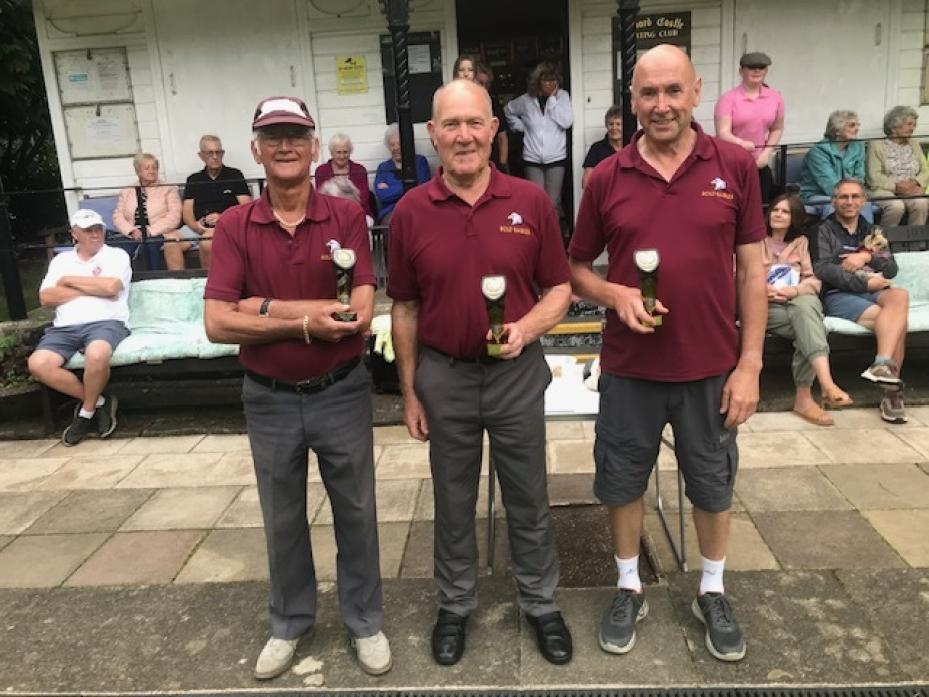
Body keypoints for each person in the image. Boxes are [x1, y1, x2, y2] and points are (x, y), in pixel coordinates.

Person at [568, 44, 766, 664]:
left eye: (672, 91)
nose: (661, 105)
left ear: (697, 91)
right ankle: (629, 585)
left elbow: (752, 272)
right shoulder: (605, 177)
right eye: (648, 94)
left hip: (711, 365)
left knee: (711, 483)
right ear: (632, 101)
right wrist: (613, 292)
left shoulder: (734, 165)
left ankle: (712, 588)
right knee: (622, 482)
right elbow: (575, 271)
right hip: (630, 367)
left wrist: (751, 363)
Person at [203, 95, 391, 679]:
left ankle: (364, 620)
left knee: (356, 510)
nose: (285, 146)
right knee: (282, 516)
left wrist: (262, 309)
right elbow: (217, 322)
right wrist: (308, 319)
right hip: (269, 397)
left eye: (296, 135)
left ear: (314, 148)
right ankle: (289, 621)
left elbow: (359, 311)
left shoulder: (344, 216)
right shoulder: (237, 225)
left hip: (340, 389)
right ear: (256, 149)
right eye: (273, 136)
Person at [389, 79, 574, 667]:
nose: (464, 136)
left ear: (495, 131)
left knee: (528, 496)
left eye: (475, 123)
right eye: (451, 125)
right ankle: (455, 605)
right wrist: (410, 390)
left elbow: (561, 289)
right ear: (433, 135)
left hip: (516, 373)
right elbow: (405, 307)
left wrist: (528, 327)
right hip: (444, 375)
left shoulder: (531, 201)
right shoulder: (411, 213)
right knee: (451, 499)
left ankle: (542, 603)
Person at [810, 178, 910, 424]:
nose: (849, 202)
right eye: (843, 197)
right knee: (897, 324)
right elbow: (824, 269)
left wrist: (865, 257)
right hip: (839, 295)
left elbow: (891, 268)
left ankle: (882, 363)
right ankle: (892, 394)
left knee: (900, 295)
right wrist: (864, 283)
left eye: (855, 197)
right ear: (833, 201)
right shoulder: (821, 230)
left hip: (874, 289)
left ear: (864, 201)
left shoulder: (874, 231)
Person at [28, 209, 131, 446]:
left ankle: (84, 414)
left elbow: (111, 288)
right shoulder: (61, 260)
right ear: (75, 234)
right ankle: (100, 403)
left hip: (106, 323)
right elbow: (46, 298)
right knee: (38, 364)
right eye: (88, 230)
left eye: (98, 229)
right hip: (64, 327)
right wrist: (92, 286)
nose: (95, 234)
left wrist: (69, 281)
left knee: (97, 354)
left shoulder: (116, 255)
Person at [763, 194, 852, 427]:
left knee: (807, 309)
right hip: (764, 306)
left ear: (794, 218)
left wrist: (794, 291)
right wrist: (764, 289)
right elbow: (736, 275)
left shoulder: (801, 243)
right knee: (812, 324)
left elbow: (812, 279)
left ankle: (814, 392)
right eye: (775, 210)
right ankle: (817, 389)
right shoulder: (753, 240)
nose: (778, 214)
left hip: (795, 302)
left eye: (785, 211)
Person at [504, 61, 573, 229]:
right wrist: (520, 127)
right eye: (546, 80)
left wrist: (552, 101)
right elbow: (508, 110)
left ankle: (553, 240)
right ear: (538, 81)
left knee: (552, 203)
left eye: (553, 80)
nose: (550, 83)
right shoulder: (526, 100)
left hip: (556, 158)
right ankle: (538, 238)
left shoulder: (562, 97)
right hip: (532, 159)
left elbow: (566, 122)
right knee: (536, 201)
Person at [714, 51, 785, 203]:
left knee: (761, 208)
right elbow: (722, 133)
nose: (757, 71)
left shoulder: (775, 97)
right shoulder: (728, 99)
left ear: (766, 71)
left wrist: (766, 153)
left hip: (759, 164)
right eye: (751, 67)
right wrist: (741, 143)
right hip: (732, 165)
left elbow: (777, 128)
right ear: (741, 71)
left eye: (761, 67)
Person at [181, 135, 252, 269]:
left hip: (227, 225)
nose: (215, 156)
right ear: (201, 155)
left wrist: (222, 217)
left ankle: (208, 285)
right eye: (210, 153)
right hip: (198, 227)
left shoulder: (234, 175)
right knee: (171, 243)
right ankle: (177, 288)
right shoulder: (194, 179)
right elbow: (187, 211)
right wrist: (196, 227)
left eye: (218, 152)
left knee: (207, 241)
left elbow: (246, 207)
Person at [799, 110, 873, 221]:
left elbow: (860, 176)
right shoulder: (818, 152)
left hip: (848, 193)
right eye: (852, 125)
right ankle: (832, 238)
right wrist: (851, 197)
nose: (857, 129)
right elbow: (829, 186)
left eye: (858, 125)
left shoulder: (858, 146)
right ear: (837, 130)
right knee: (834, 205)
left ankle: (865, 237)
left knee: (864, 204)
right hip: (818, 194)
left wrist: (854, 196)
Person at [113, 152, 183, 270]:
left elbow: (174, 216)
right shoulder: (127, 191)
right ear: (137, 171)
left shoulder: (168, 188)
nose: (152, 171)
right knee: (121, 250)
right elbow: (117, 216)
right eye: (147, 168)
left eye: (155, 168)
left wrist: (150, 231)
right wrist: (131, 231)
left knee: (149, 245)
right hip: (133, 233)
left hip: (158, 232)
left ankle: (154, 280)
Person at [867, 105, 929, 226]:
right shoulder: (876, 145)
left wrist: (915, 183)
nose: (912, 128)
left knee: (921, 203)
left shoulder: (914, 143)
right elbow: (873, 177)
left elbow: (925, 170)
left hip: (911, 190)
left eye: (914, 125)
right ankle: (883, 241)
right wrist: (897, 187)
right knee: (896, 207)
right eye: (909, 124)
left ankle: (914, 242)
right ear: (894, 126)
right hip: (883, 190)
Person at [373, 122, 431, 225]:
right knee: (391, 223)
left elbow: (424, 190)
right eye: (392, 145)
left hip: (417, 208)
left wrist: (391, 188)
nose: (396, 148)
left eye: (399, 144)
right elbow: (383, 196)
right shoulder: (383, 167)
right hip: (391, 212)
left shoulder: (419, 162)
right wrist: (411, 184)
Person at [314, 133, 373, 218]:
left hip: (357, 212)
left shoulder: (360, 170)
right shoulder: (321, 171)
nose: (342, 156)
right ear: (332, 153)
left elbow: (363, 198)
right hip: (331, 215)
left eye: (345, 152)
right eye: (338, 152)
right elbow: (321, 199)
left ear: (350, 152)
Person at [474, 61, 510, 173]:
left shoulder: (494, 104)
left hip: (493, 162)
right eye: (480, 83)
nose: (484, 88)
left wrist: (503, 164)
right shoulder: (464, 104)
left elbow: (502, 137)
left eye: (487, 84)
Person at [582, 106, 623, 188]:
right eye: (611, 124)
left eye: (618, 124)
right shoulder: (596, 149)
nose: (614, 128)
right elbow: (586, 183)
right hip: (604, 195)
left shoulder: (632, 147)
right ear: (606, 126)